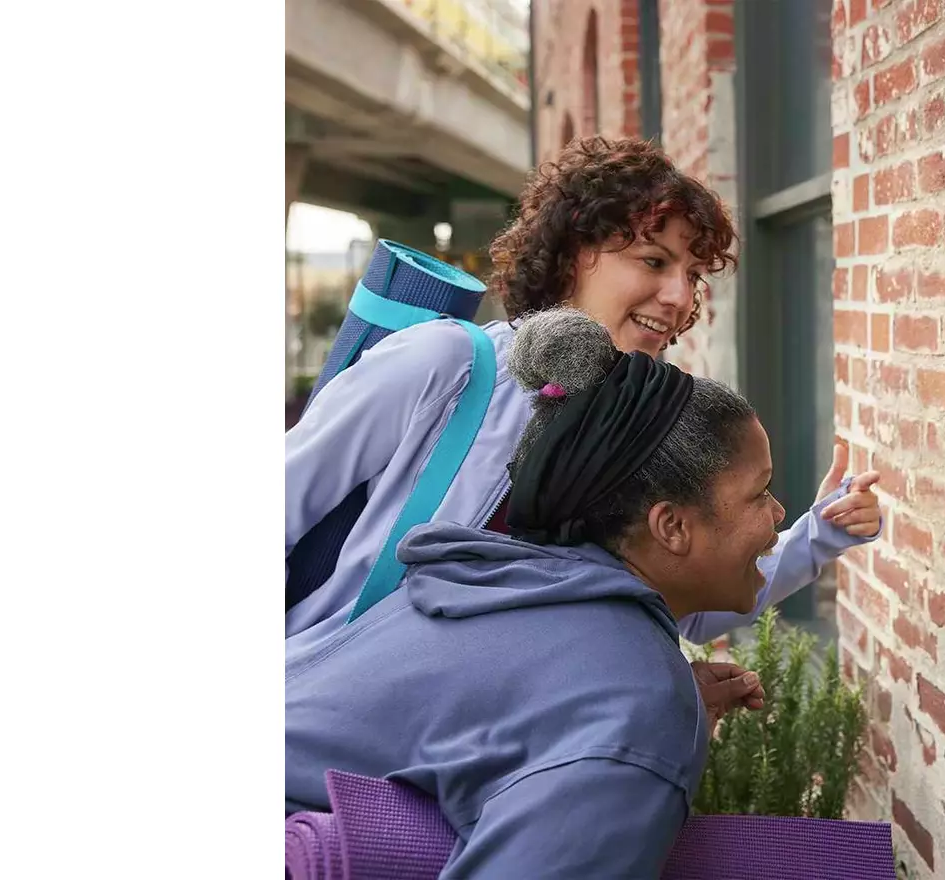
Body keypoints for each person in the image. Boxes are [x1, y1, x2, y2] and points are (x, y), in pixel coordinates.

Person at [286, 135, 882, 644]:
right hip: (334, 716)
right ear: (573, 254)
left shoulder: (641, 427)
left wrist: (818, 535)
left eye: (693, 275)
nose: (679, 297)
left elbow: (684, 604)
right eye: (653, 261)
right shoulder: (450, 364)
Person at [286, 309, 796, 877]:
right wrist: (639, 733)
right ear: (671, 527)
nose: (779, 516)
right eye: (760, 494)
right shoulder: (631, 704)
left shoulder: (512, 582)